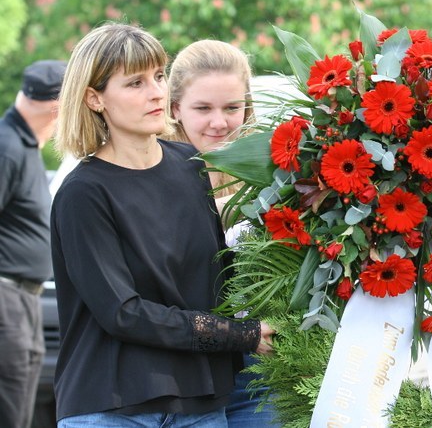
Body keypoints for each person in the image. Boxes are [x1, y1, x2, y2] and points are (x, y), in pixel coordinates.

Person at [50, 23, 275, 427]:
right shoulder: (82, 192)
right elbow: (123, 313)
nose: (155, 91)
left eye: (158, 76)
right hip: (112, 406)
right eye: (134, 83)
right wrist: (242, 334)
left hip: (199, 404)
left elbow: (216, 282)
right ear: (94, 98)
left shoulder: (189, 167)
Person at [168, 39, 278, 427]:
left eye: (233, 107)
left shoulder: (272, 177)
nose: (220, 122)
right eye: (203, 108)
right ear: (174, 107)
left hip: (260, 371)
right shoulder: (152, 179)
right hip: (183, 375)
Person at [0, 59, 66, 428]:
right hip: (6, 298)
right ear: (58, 106)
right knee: (9, 407)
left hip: (23, 297)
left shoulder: (23, 143)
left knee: (21, 406)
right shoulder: (7, 147)